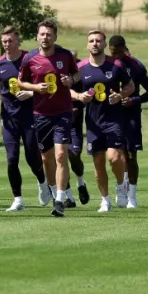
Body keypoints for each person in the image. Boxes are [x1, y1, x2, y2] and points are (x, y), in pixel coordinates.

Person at [18, 19, 80, 217]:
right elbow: (21, 82)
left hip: (63, 112)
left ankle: (60, 200)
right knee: (47, 158)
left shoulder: (65, 55)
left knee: (61, 155)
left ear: (55, 36)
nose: (45, 37)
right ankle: (54, 192)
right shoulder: (30, 58)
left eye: (49, 34)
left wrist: (70, 80)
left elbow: (77, 75)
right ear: (37, 36)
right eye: (42, 34)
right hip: (41, 114)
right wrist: (36, 88)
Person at [74, 31, 136, 212]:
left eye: (98, 41)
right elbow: (68, 88)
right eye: (91, 41)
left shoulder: (115, 65)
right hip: (93, 122)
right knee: (98, 162)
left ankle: (120, 185)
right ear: (87, 45)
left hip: (114, 120)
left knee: (114, 157)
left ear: (104, 44)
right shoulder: (81, 67)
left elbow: (130, 85)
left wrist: (121, 95)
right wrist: (79, 96)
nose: (95, 44)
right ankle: (105, 200)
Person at [0, 26, 51, 211]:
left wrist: (30, 93)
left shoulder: (31, 59)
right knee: (11, 158)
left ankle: (43, 182)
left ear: (18, 41)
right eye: (4, 41)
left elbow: (45, 84)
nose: (7, 45)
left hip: (31, 115)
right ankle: (17, 199)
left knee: (32, 156)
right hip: (9, 118)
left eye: (10, 41)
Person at [108, 34, 148, 207]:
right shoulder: (106, 64)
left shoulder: (135, 65)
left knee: (131, 155)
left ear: (124, 48)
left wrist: (133, 101)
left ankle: (132, 197)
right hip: (111, 115)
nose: (115, 55)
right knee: (115, 155)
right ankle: (121, 187)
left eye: (118, 51)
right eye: (112, 52)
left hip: (131, 115)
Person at [63, 49, 89, 209]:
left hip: (74, 124)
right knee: (59, 159)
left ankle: (81, 182)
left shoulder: (80, 76)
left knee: (74, 156)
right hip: (58, 122)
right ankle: (69, 197)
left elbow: (85, 96)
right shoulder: (57, 74)